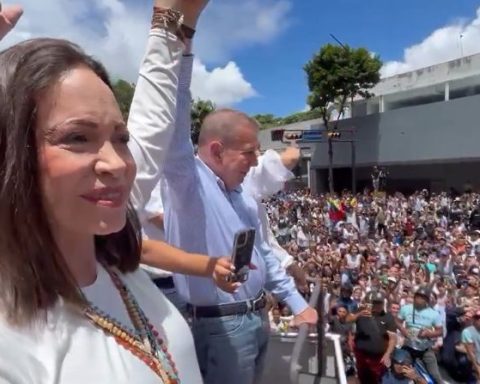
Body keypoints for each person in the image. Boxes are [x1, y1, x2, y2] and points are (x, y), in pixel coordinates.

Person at [0, 1, 209, 382]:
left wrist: (173, 25)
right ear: (9, 153)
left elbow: (152, 124)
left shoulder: (110, 250)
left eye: (121, 137)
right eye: (77, 138)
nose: (117, 163)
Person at [160, 54, 317, 384]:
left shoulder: (243, 194)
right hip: (220, 328)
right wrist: (182, 45)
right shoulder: (186, 182)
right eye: (248, 151)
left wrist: (297, 302)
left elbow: (262, 253)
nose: (256, 159)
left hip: (258, 318)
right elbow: (173, 118)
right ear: (217, 151)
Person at [396, 287, 443, 383]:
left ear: (427, 300)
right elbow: (397, 321)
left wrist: (428, 334)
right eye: (417, 296)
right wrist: (403, 330)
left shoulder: (434, 314)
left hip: (425, 347)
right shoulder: (406, 308)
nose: (419, 299)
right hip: (409, 346)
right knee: (402, 371)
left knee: (435, 375)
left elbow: (440, 331)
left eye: (422, 297)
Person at [352, 291, 397, 384]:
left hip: (378, 360)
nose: (377, 305)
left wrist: (387, 354)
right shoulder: (360, 313)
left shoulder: (388, 317)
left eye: (379, 302)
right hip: (361, 357)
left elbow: (393, 338)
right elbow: (347, 323)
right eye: (374, 302)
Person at [461, 309, 480, 383]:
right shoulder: (467, 331)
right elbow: (471, 353)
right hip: (475, 363)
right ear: (474, 319)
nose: (479, 320)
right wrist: (478, 369)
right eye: (477, 318)